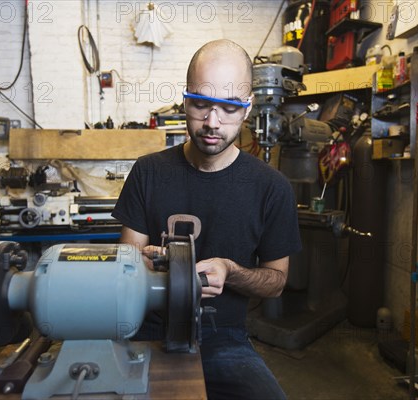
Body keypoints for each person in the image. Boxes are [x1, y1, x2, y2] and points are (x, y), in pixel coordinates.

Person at [112, 39, 301, 399]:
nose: (212, 122)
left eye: (229, 108)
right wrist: (147, 266)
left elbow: (276, 282)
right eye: (200, 104)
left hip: (222, 337)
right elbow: (125, 266)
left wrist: (232, 271)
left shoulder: (271, 188)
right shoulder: (148, 172)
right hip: (146, 328)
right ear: (184, 101)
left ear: (247, 109)